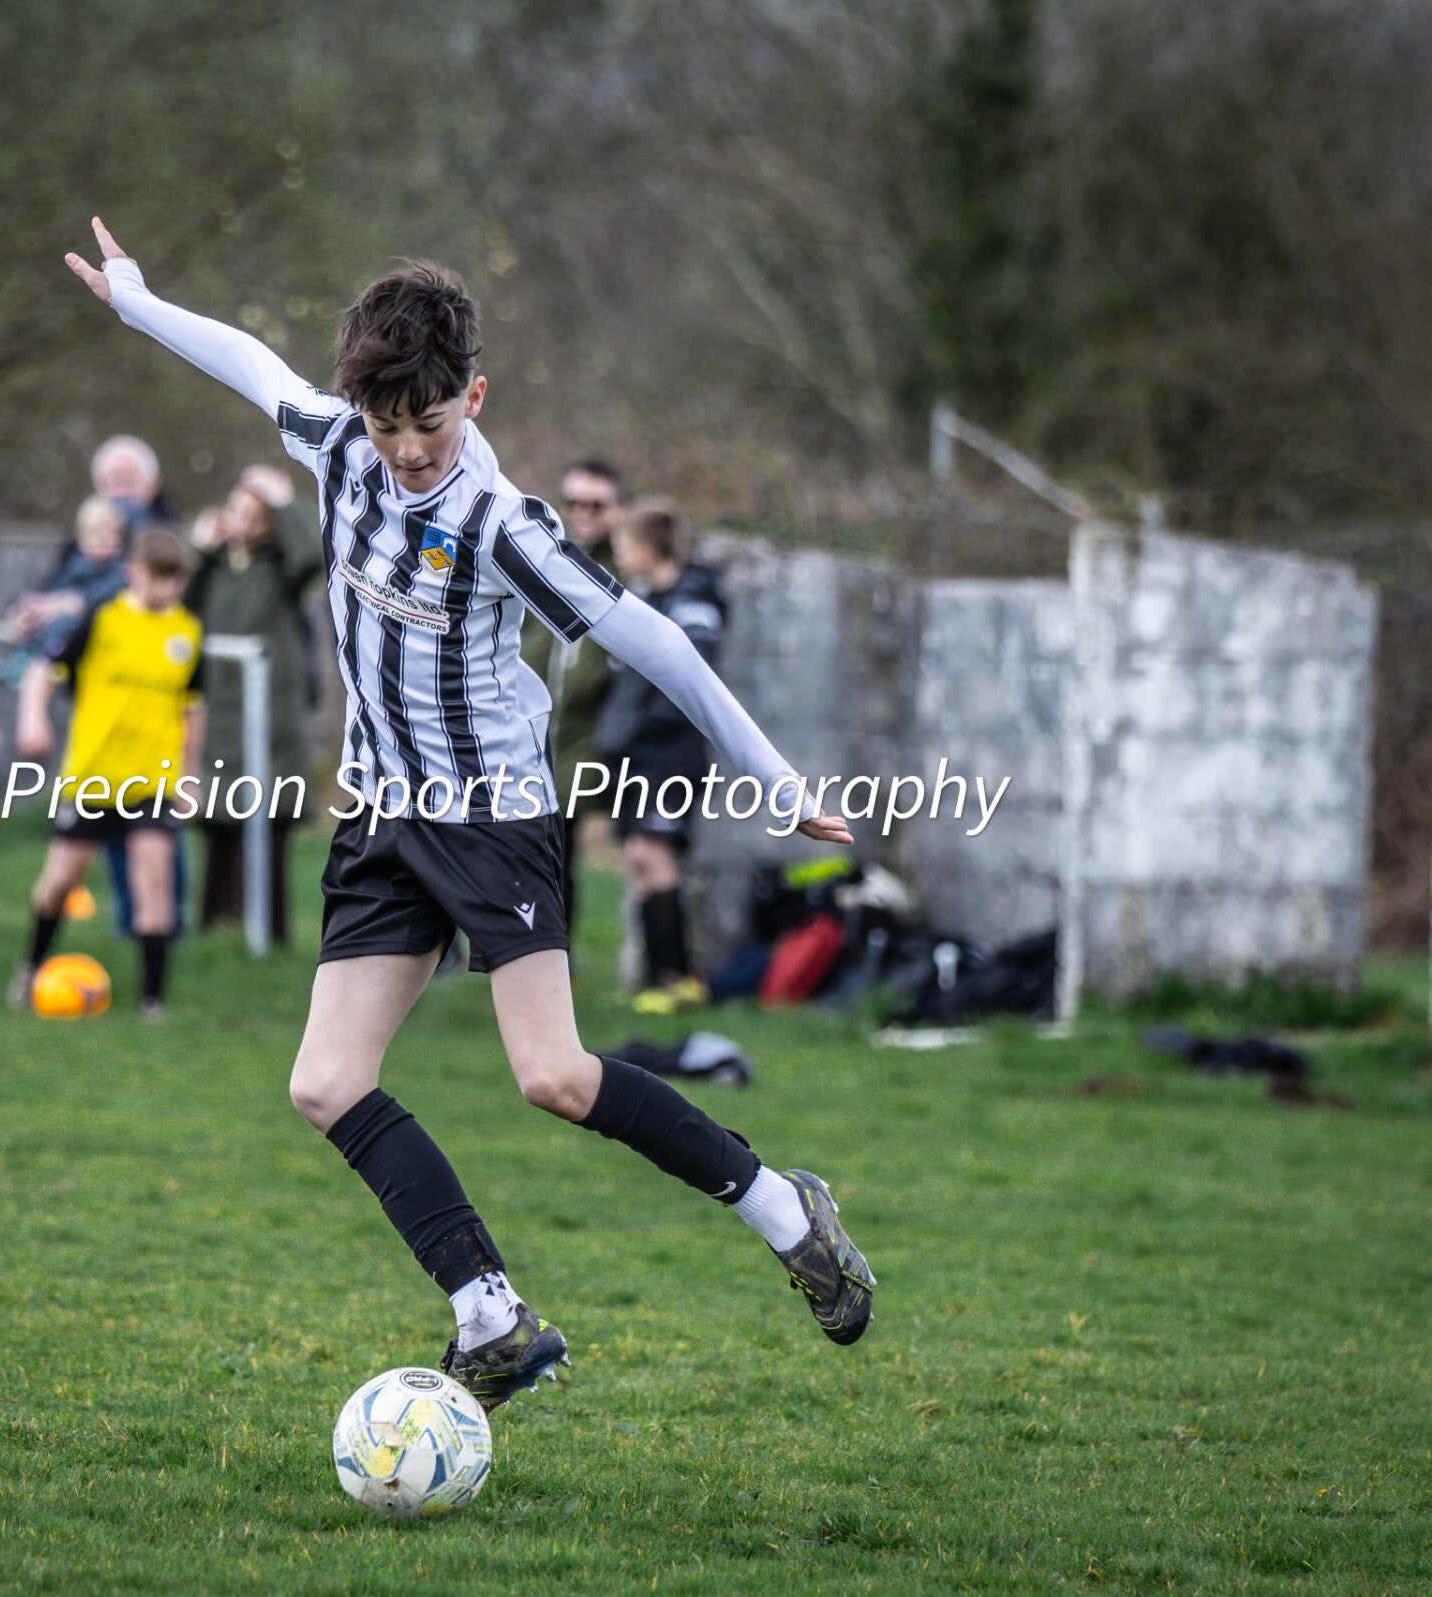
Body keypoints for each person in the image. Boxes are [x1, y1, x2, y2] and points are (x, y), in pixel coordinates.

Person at [67, 218, 875, 1409]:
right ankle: (487, 1313)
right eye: (386, 424)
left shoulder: (506, 528)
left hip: (493, 818)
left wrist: (774, 779)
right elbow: (251, 365)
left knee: (550, 1074)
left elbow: (653, 642)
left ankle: (782, 1209)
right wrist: (137, 300)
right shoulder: (341, 444)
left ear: (473, 395)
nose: (402, 449)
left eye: (427, 424)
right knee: (324, 1082)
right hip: (383, 814)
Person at [10, 523, 202, 1017]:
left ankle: (152, 1002)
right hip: (93, 778)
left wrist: (190, 774)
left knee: (154, 882)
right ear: (131, 572)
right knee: (60, 883)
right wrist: (33, 719)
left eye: (175, 581)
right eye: (157, 578)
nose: (166, 590)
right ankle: (30, 968)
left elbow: (191, 708)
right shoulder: (102, 619)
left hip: (151, 782)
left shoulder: (187, 633)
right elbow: (41, 669)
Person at [595, 498, 726, 1013]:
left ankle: (678, 979)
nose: (620, 556)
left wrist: (640, 729)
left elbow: (688, 682)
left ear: (649, 550)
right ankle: (657, 978)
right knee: (638, 858)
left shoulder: (692, 604)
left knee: (657, 857)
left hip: (669, 755)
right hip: (638, 756)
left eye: (625, 546)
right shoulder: (647, 599)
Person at [189, 463, 322, 943]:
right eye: (237, 513)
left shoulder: (281, 570)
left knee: (268, 826)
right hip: (220, 716)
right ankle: (214, 932)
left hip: (271, 721)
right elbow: (178, 605)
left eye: (257, 517)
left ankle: (271, 934)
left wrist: (286, 501)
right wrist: (200, 550)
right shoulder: (214, 568)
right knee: (218, 827)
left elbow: (313, 556)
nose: (243, 526)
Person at [519, 458, 625, 932]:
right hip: (517, 737)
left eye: (596, 504)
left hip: (579, 744)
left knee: (559, 854)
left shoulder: (624, 572)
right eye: (574, 502)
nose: (583, 512)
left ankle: (557, 954)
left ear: (617, 510)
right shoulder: (534, 558)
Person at [4, 493, 129, 657]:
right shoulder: (74, 565)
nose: (101, 541)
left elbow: (92, 601)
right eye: (94, 534)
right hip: (48, 628)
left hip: (89, 639)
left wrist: (66, 604)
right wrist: (32, 608)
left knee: (64, 625)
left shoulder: (122, 571)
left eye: (108, 534)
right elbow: (50, 591)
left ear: (120, 539)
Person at [91, 434, 174, 529]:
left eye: (129, 481)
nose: (121, 493)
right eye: (112, 484)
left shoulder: (176, 537)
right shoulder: (76, 542)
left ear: (153, 483)